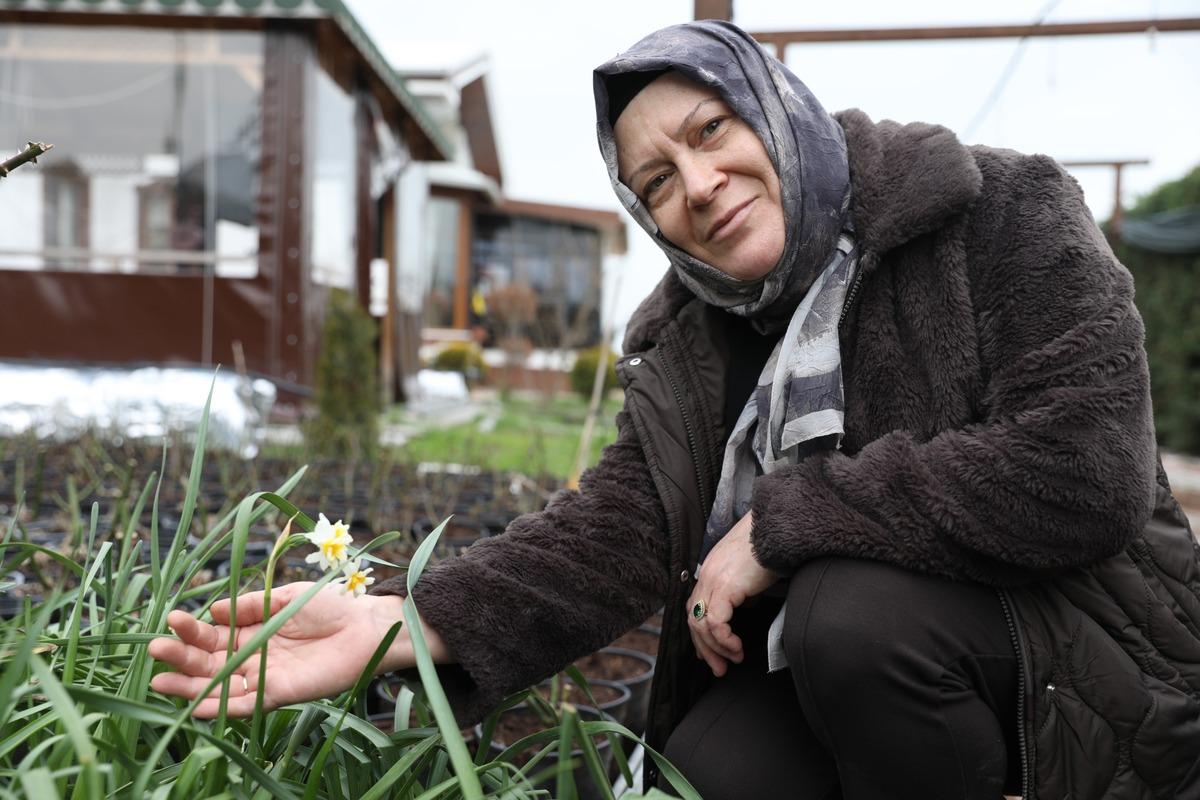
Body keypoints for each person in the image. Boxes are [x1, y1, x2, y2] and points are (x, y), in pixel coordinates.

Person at [149, 20, 1200, 800]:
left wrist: (785, 523)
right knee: (702, 771)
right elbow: (613, 531)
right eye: (655, 179)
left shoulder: (998, 209)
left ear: (778, 112)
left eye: (712, 128)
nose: (697, 182)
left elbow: (1082, 465)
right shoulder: (694, 338)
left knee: (848, 612)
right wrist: (402, 622)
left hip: (1085, 652)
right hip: (842, 668)